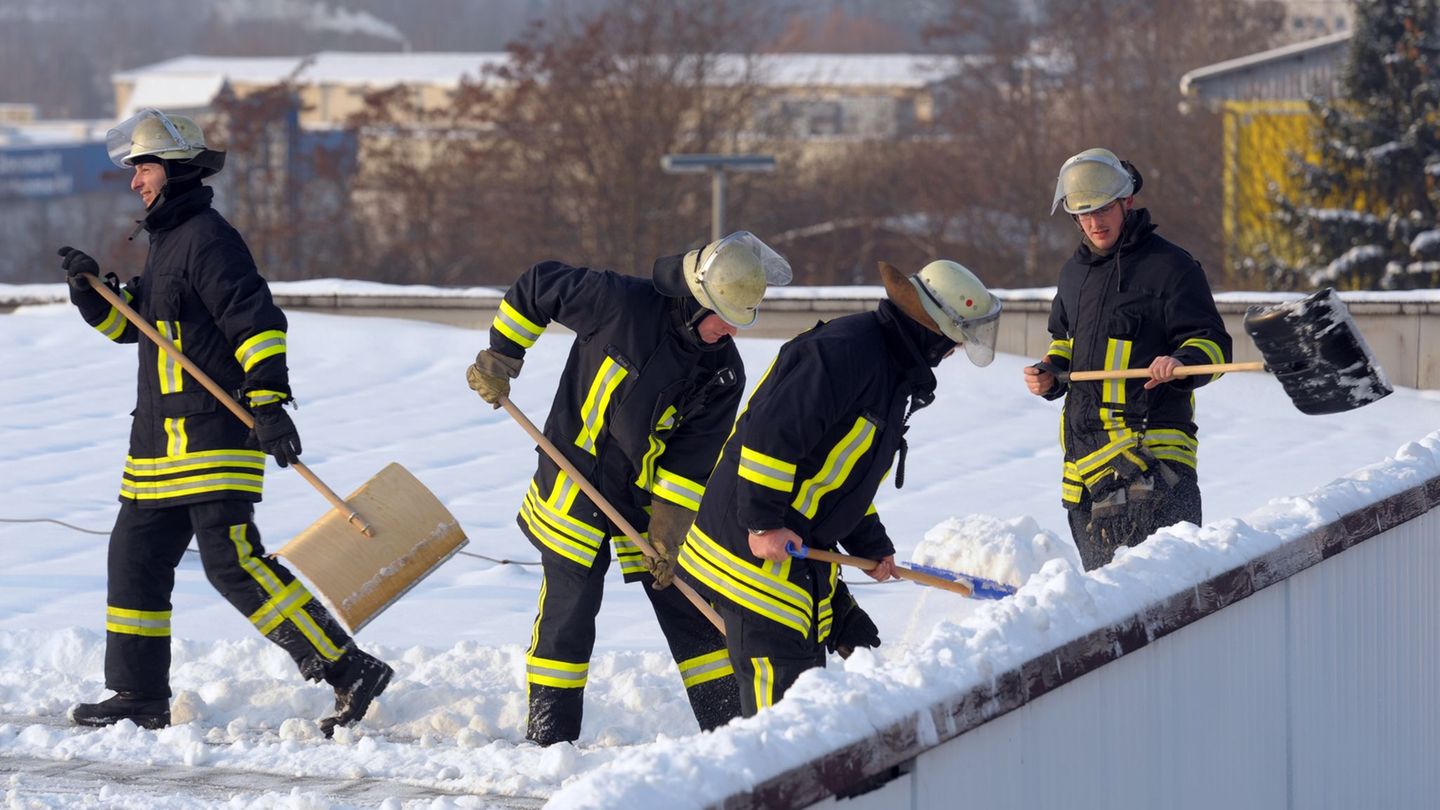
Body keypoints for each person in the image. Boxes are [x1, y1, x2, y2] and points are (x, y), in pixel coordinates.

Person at [58, 108, 392, 736]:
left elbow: (257, 322)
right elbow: (139, 331)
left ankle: (347, 668)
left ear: (177, 170)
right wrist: (93, 294)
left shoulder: (207, 238)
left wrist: (267, 402)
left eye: (145, 168)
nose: (135, 182)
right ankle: (137, 694)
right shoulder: (167, 242)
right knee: (133, 559)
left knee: (232, 562)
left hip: (211, 434)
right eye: (133, 170)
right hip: (158, 443)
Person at [466, 231, 792, 746]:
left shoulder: (723, 372)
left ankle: (730, 732)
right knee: (570, 607)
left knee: (688, 602)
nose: (730, 330)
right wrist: (503, 356)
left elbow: (691, 458)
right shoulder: (618, 303)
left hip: (645, 500)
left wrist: (671, 530)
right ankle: (551, 738)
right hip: (573, 479)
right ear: (694, 301)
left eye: (740, 319)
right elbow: (536, 286)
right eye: (723, 316)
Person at [676, 259, 1002, 716]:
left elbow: (836, 478)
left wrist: (872, 545)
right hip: (750, 559)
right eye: (954, 341)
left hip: (791, 556)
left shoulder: (889, 370)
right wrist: (763, 524)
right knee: (783, 727)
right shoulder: (845, 353)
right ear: (933, 329)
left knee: (804, 704)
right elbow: (770, 436)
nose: (952, 353)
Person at [1022, 147, 1233, 571]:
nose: (1094, 223)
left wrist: (1180, 363)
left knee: (1167, 598)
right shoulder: (1073, 273)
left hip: (1155, 468)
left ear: (1127, 202)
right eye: (1083, 214)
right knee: (1109, 607)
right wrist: (1050, 373)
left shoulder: (1172, 267)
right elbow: (1065, 343)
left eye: (1103, 210)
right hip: (1087, 473)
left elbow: (1213, 345)